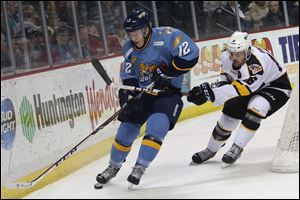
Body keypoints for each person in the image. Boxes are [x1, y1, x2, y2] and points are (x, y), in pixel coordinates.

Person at [96, 9, 199, 186]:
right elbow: (128, 76)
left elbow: (192, 54)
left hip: (167, 93)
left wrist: (167, 73)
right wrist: (126, 96)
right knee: (126, 130)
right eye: (129, 34)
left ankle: (140, 167)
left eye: (135, 33)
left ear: (146, 29)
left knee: (157, 126)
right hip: (143, 93)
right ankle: (113, 166)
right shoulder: (128, 48)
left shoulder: (169, 36)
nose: (132, 38)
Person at [187, 31, 292, 167]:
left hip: (276, 87)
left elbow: (241, 89)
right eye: (232, 53)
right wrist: (212, 90)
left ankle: (237, 147)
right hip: (251, 86)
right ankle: (211, 149)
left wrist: (210, 94)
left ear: (247, 51)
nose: (234, 57)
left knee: (256, 108)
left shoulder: (256, 65)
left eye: (238, 54)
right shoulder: (227, 55)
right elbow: (227, 76)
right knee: (229, 113)